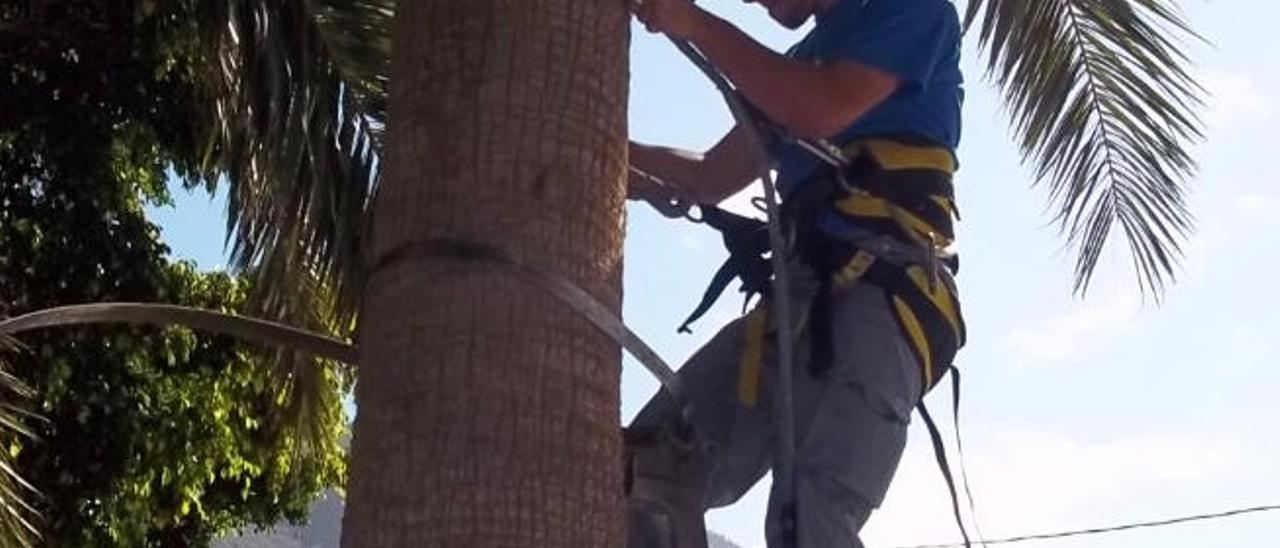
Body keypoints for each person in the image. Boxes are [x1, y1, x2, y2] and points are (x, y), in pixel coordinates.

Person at [624, 1, 967, 547]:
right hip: (797, 301)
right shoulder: (797, 63)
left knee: (809, 524)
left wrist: (695, 23)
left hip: (882, 292)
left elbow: (821, 107)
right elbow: (710, 176)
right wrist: (606, 152)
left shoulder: (910, 10)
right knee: (642, 471)